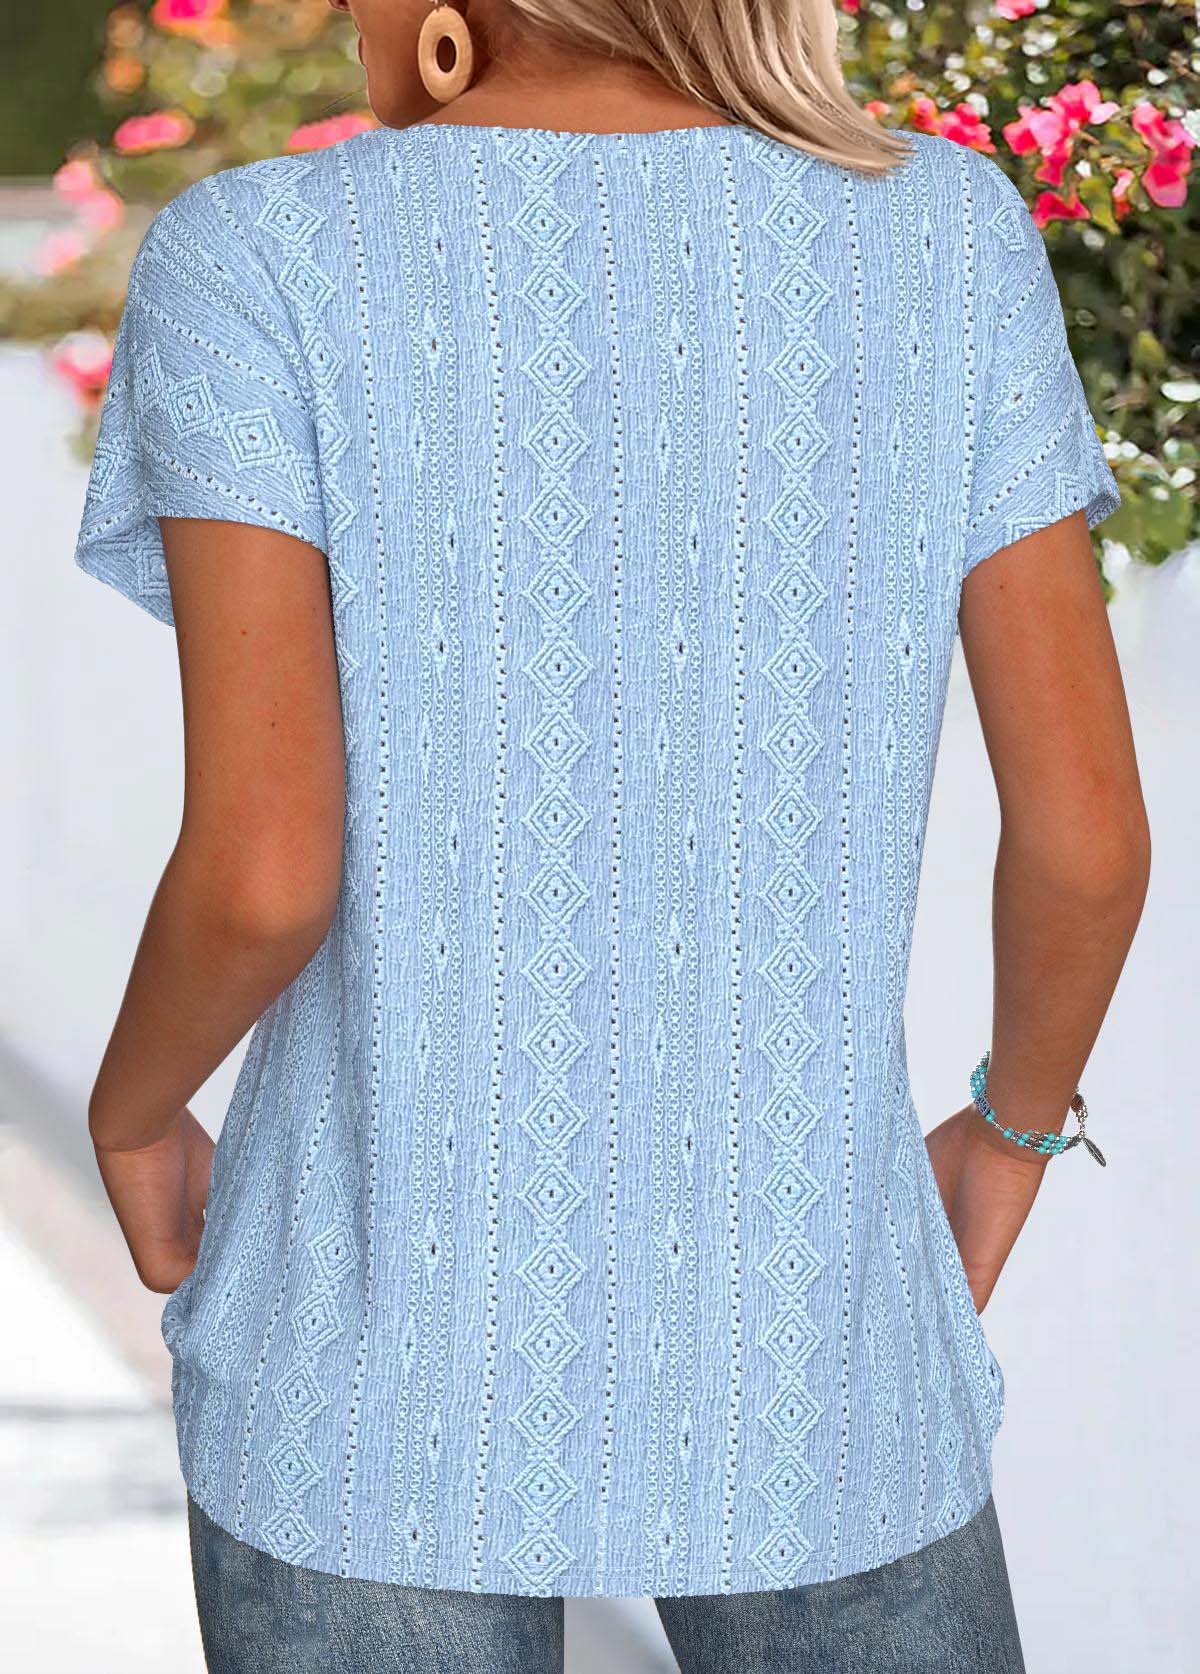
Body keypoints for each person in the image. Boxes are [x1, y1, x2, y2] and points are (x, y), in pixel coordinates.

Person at [73, 1, 1150, 1670]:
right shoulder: (943, 238)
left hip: (366, 1372)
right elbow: (1086, 839)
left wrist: (136, 1113)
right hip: (819, 1356)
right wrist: (1012, 1135)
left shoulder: (258, 256)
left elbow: (266, 871)